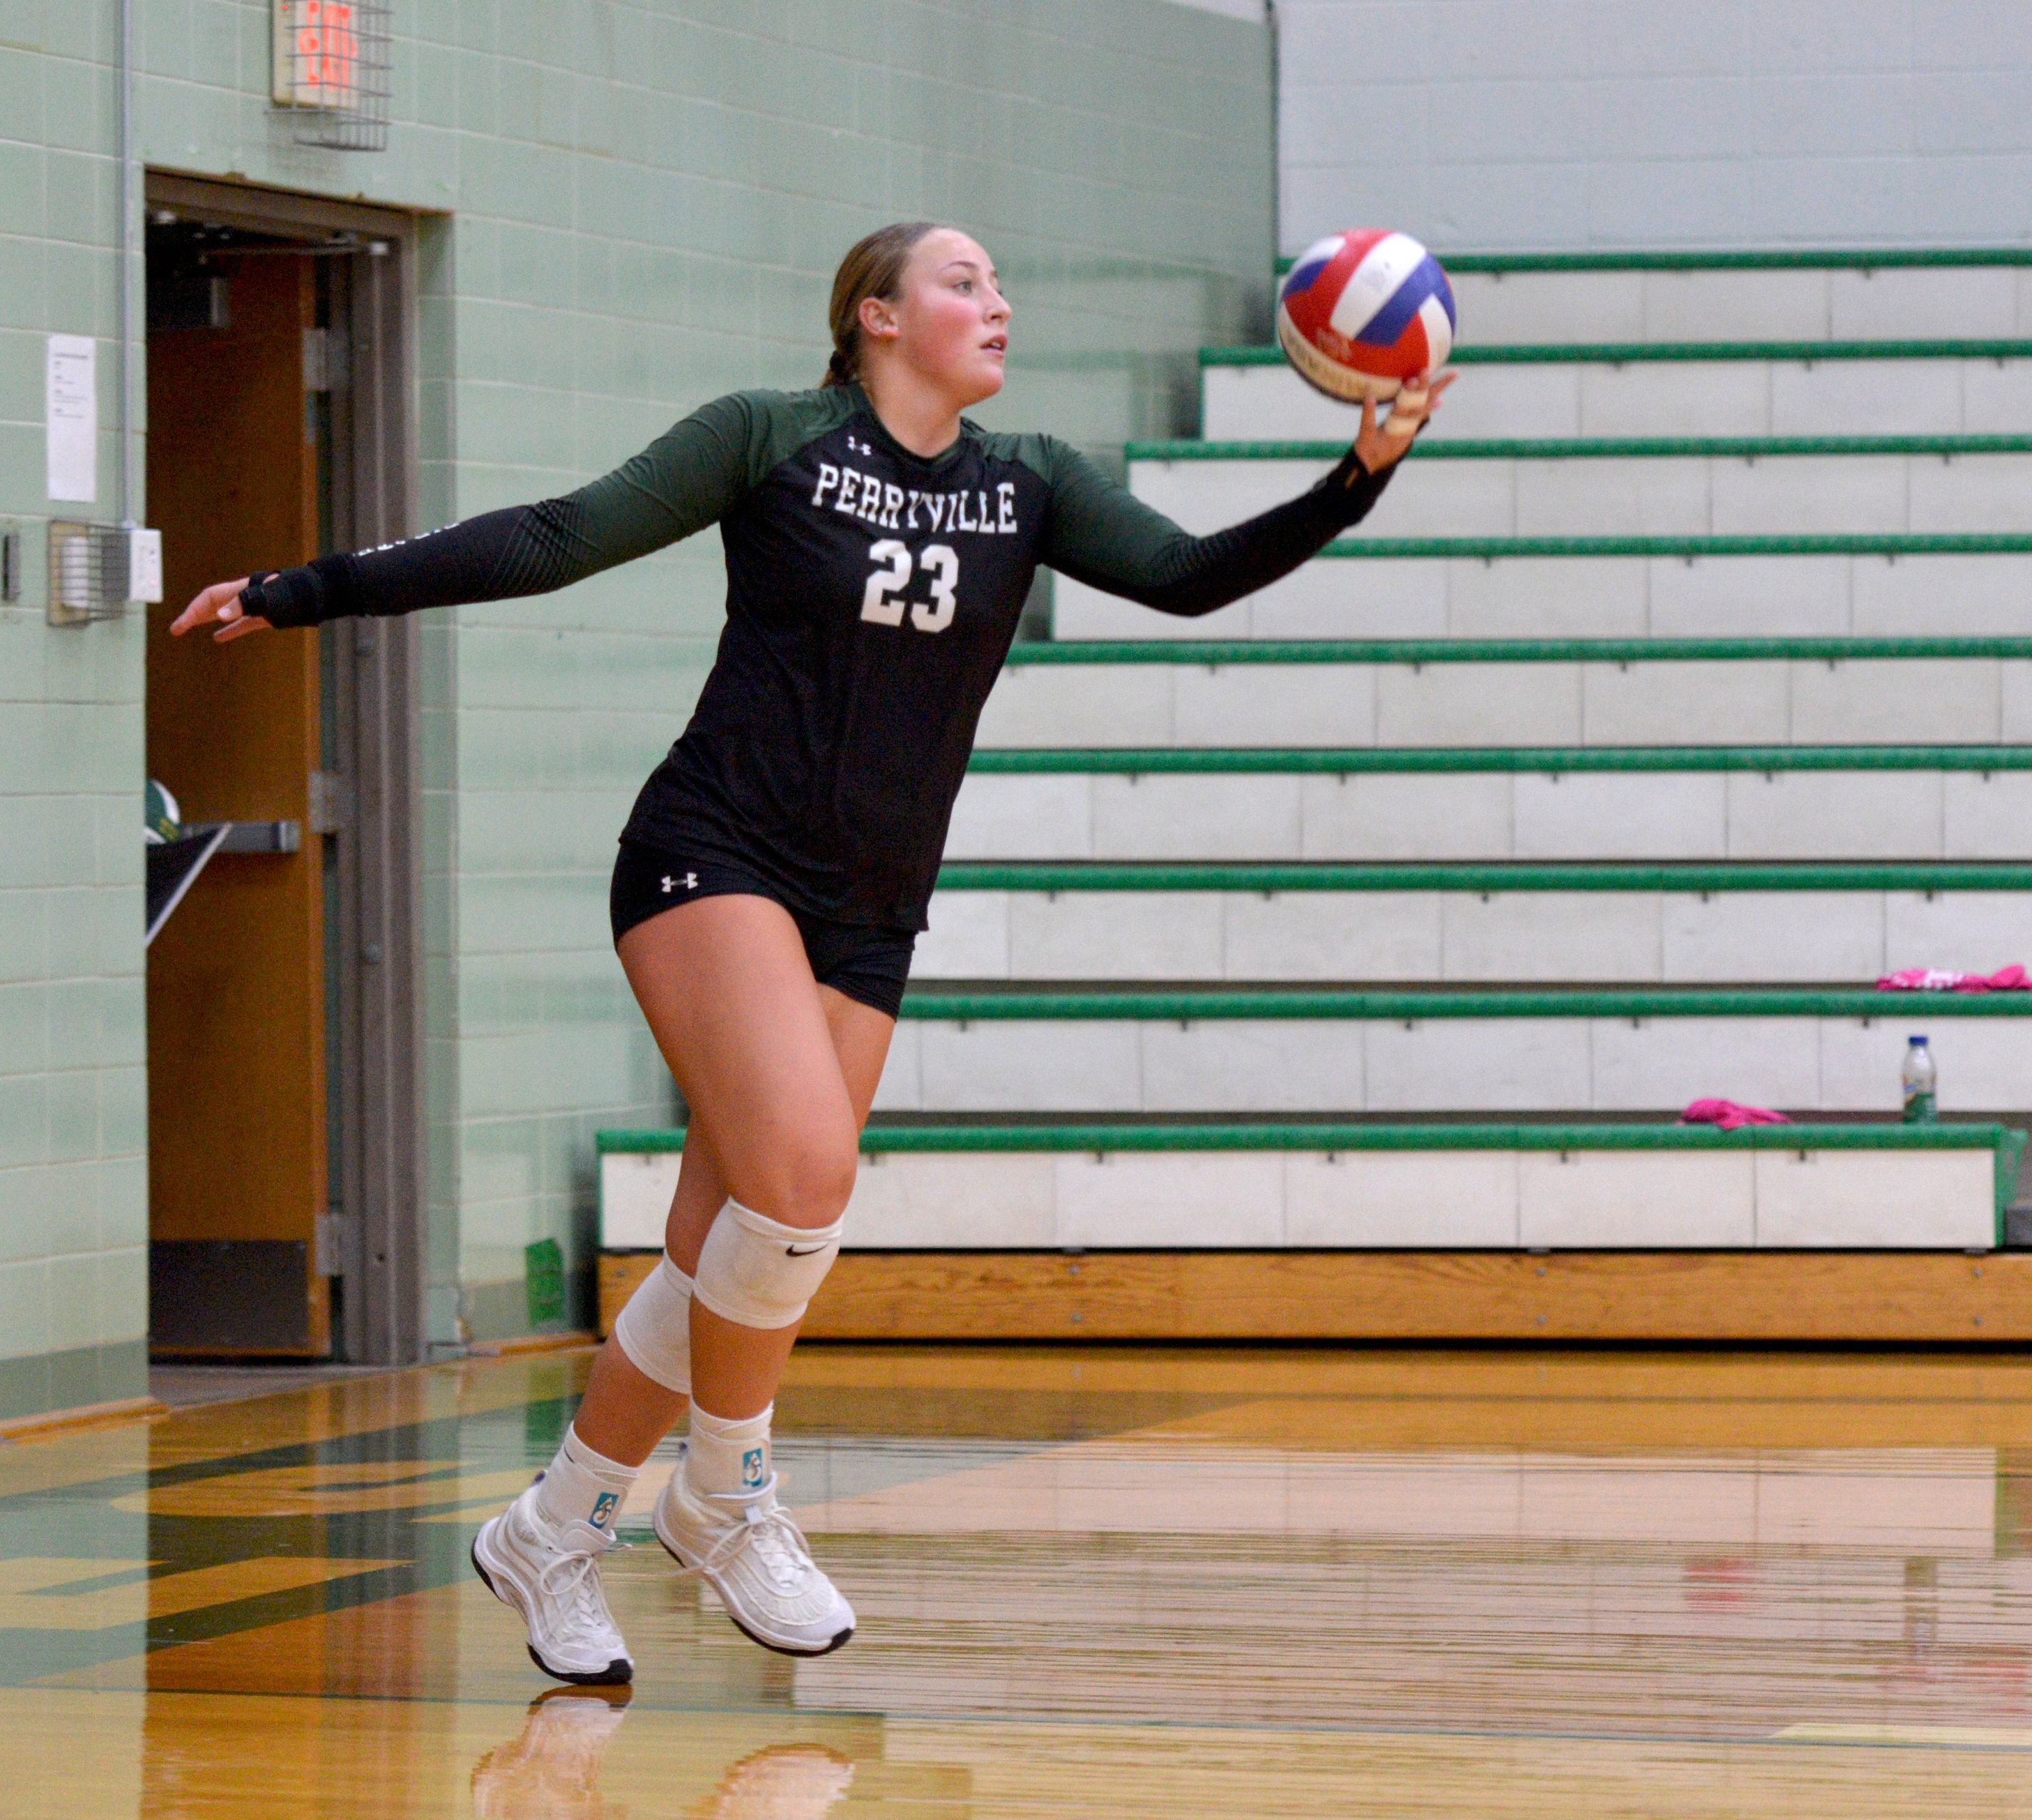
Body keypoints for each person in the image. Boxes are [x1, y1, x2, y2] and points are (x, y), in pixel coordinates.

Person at [170, 220, 1451, 1685]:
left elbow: (1192, 576)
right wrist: (305, 586)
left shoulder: (1027, 481)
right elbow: (552, 537)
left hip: (870, 901)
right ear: (876, 315)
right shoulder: (770, 439)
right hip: (711, 852)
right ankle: (730, 1497)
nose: (999, 302)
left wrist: (1360, 474)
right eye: (964, 281)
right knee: (805, 1178)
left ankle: (555, 1527)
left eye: (998, 283)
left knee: (732, 1242)